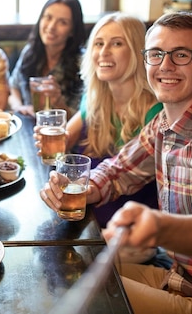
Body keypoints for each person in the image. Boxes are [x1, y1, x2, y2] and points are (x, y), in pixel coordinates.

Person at [40, 12, 192, 314]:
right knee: (68, 269)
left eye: (181, 55)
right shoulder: (164, 123)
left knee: (82, 290)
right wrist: (77, 187)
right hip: (180, 279)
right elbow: (119, 170)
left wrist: (158, 226)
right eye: (156, 54)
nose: (165, 65)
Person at [61, 12, 162, 228]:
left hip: (129, 225)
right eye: (98, 43)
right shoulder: (94, 99)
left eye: (117, 43)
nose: (104, 52)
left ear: (137, 51)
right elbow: (64, 139)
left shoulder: (156, 112)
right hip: (86, 212)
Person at [8, 0, 87, 117]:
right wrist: (19, 107)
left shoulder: (83, 63)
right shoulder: (30, 52)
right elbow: (13, 87)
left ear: (72, 30)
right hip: (27, 126)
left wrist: (59, 102)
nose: (51, 27)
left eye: (62, 22)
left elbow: (84, 120)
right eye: (48, 17)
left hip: (61, 132)